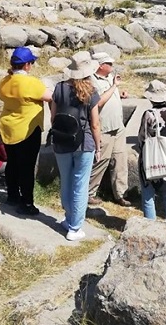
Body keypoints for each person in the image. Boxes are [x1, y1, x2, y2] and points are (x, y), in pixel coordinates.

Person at [52, 51, 101, 241]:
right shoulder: (91, 92)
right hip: (84, 142)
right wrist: (98, 146)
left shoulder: (59, 88)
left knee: (66, 180)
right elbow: (95, 123)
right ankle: (75, 227)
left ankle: (68, 217)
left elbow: (53, 117)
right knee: (80, 184)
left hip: (62, 139)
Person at [0, 47, 53, 215]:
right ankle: (27, 202)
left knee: (12, 163)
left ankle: (12, 196)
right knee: (27, 167)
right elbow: (51, 97)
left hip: (8, 126)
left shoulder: (5, 81)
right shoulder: (31, 83)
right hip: (27, 129)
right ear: (27, 65)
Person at [88, 52, 130, 206]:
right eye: (109, 64)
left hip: (118, 126)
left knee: (120, 161)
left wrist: (120, 93)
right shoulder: (91, 80)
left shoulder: (109, 78)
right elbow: (98, 102)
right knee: (101, 161)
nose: (112, 66)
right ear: (100, 65)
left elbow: (110, 96)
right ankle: (89, 193)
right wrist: (114, 87)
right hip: (104, 127)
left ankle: (120, 194)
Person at [138, 80, 166, 225]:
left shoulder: (149, 114)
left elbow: (142, 137)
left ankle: (150, 224)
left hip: (152, 156)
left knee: (148, 191)